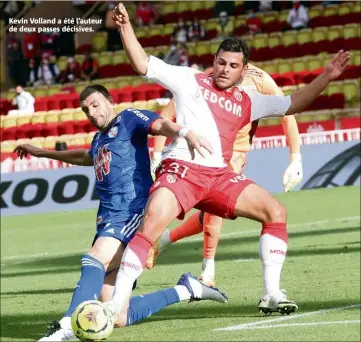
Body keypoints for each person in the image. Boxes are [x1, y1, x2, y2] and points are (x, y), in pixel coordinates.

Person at [106, 2, 350, 325]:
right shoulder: (189, 80)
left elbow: (293, 104)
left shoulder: (250, 100)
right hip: (182, 171)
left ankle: (271, 294)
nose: (224, 69)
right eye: (221, 62)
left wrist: (327, 77)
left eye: (232, 65)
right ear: (214, 61)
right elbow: (142, 63)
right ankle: (113, 307)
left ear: (243, 69)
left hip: (219, 176)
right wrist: (125, 27)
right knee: (149, 227)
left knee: (276, 213)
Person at [14, 85, 224, 341]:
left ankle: (66, 325)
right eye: (85, 109)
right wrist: (41, 151)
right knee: (118, 315)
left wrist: (185, 132)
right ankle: (187, 290)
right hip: (108, 220)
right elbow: (85, 157)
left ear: (110, 102)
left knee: (94, 259)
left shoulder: (128, 118)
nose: (91, 112)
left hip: (132, 211)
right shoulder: (99, 139)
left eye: (95, 104)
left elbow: (159, 125)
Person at [146, 62, 303, 286]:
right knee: (205, 211)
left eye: (234, 64)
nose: (226, 70)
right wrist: (157, 154)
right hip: (198, 151)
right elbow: (168, 115)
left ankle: (172, 244)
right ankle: (203, 265)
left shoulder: (259, 79)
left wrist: (295, 157)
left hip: (235, 153)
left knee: (212, 213)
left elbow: (287, 112)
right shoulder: (204, 79)